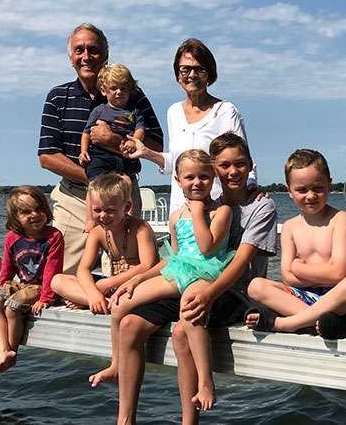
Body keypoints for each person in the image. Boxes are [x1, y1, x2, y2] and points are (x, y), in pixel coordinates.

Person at [115, 133, 278, 425]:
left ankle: (190, 418)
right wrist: (137, 278)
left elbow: (238, 263)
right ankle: (125, 418)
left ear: (250, 166)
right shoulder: (204, 203)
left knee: (181, 330)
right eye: (224, 166)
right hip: (187, 280)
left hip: (229, 290)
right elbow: (178, 257)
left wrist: (208, 295)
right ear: (215, 170)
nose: (232, 172)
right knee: (128, 323)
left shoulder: (258, 206)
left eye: (240, 165)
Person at [110, 149, 234, 411]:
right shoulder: (176, 215)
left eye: (204, 176)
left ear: (213, 179)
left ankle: (205, 381)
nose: (197, 182)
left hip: (206, 271)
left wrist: (199, 212)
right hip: (179, 270)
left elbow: (208, 247)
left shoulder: (221, 212)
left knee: (190, 305)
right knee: (121, 303)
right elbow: (173, 257)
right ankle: (115, 364)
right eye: (189, 177)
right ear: (178, 180)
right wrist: (138, 279)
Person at [38, 23, 162, 274]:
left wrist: (112, 140)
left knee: (125, 275)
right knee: (59, 274)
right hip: (74, 197)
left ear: (105, 54)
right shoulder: (57, 97)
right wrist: (98, 184)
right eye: (79, 50)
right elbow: (47, 156)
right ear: (70, 56)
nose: (86, 57)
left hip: (123, 197)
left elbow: (157, 144)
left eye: (93, 50)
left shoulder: (133, 95)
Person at [125, 38, 256, 213]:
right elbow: (177, 162)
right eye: (185, 69)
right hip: (181, 212)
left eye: (199, 69)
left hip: (218, 211)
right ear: (178, 75)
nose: (192, 75)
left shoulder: (225, 111)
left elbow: (242, 161)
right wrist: (146, 153)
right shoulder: (174, 112)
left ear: (209, 74)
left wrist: (252, 187)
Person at [244, 149, 346, 338]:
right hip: (304, 297)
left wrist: (298, 268)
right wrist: (313, 273)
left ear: (329, 185)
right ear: (289, 191)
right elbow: (288, 278)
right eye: (302, 190)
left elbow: (339, 273)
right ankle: (318, 323)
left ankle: (286, 323)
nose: (310, 196)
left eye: (317, 188)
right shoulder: (290, 227)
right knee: (255, 285)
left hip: (341, 300)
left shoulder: (340, 219)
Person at [50, 173, 158, 385]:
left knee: (99, 284)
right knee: (58, 280)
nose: (103, 216)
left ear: (126, 208)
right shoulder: (98, 232)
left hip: (138, 286)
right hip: (110, 289)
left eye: (110, 211)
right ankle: (99, 303)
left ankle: (97, 303)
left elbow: (148, 265)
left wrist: (106, 284)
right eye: (97, 210)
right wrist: (92, 294)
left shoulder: (140, 228)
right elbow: (83, 268)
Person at [0, 186, 63, 372]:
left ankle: (12, 353)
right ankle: (3, 350)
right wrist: (1, 286)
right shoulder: (13, 237)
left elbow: (53, 269)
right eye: (26, 212)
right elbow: (8, 264)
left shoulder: (53, 236)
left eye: (39, 208)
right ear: (15, 218)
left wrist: (46, 298)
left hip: (41, 286)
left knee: (12, 308)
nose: (34, 214)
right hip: (21, 284)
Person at [79, 64, 148, 227]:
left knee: (127, 182)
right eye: (114, 88)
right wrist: (83, 151)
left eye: (123, 89)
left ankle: (127, 219)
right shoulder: (99, 110)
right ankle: (90, 220)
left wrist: (133, 141)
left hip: (124, 156)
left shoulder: (134, 111)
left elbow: (140, 130)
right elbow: (86, 133)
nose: (119, 92)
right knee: (94, 185)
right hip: (100, 155)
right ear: (104, 91)